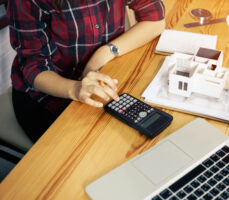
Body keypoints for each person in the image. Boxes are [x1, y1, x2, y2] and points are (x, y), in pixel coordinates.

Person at [7, 0, 165, 142]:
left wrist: (104, 54)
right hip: (47, 97)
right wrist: (75, 89)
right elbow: (34, 67)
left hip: (103, 81)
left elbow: (155, 20)